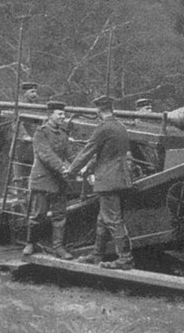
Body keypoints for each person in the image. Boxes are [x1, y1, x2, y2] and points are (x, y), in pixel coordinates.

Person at [67, 95, 134, 269]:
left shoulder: (103, 129)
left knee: (112, 219)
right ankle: (97, 254)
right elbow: (105, 154)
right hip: (120, 177)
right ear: (112, 109)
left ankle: (125, 258)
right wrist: (88, 168)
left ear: (98, 111)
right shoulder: (120, 127)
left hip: (108, 180)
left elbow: (87, 151)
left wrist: (72, 170)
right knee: (102, 219)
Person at [22, 101, 73, 259]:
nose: (63, 117)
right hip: (42, 180)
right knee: (38, 214)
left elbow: (69, 155)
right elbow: (46, 154)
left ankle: (58, 248)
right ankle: (31, 243)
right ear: (50, 115)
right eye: (60, 114)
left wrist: (80, 167)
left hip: (58, 182)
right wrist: (63, 167)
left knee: (59, 216)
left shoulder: (64, 134)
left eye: (64, 114)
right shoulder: (40, 132)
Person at [132, 97, 165, 174]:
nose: (150, 111)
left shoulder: (151, 126)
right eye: (147, 108)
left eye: (150, 108)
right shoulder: (134, 127)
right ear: (138, 110)